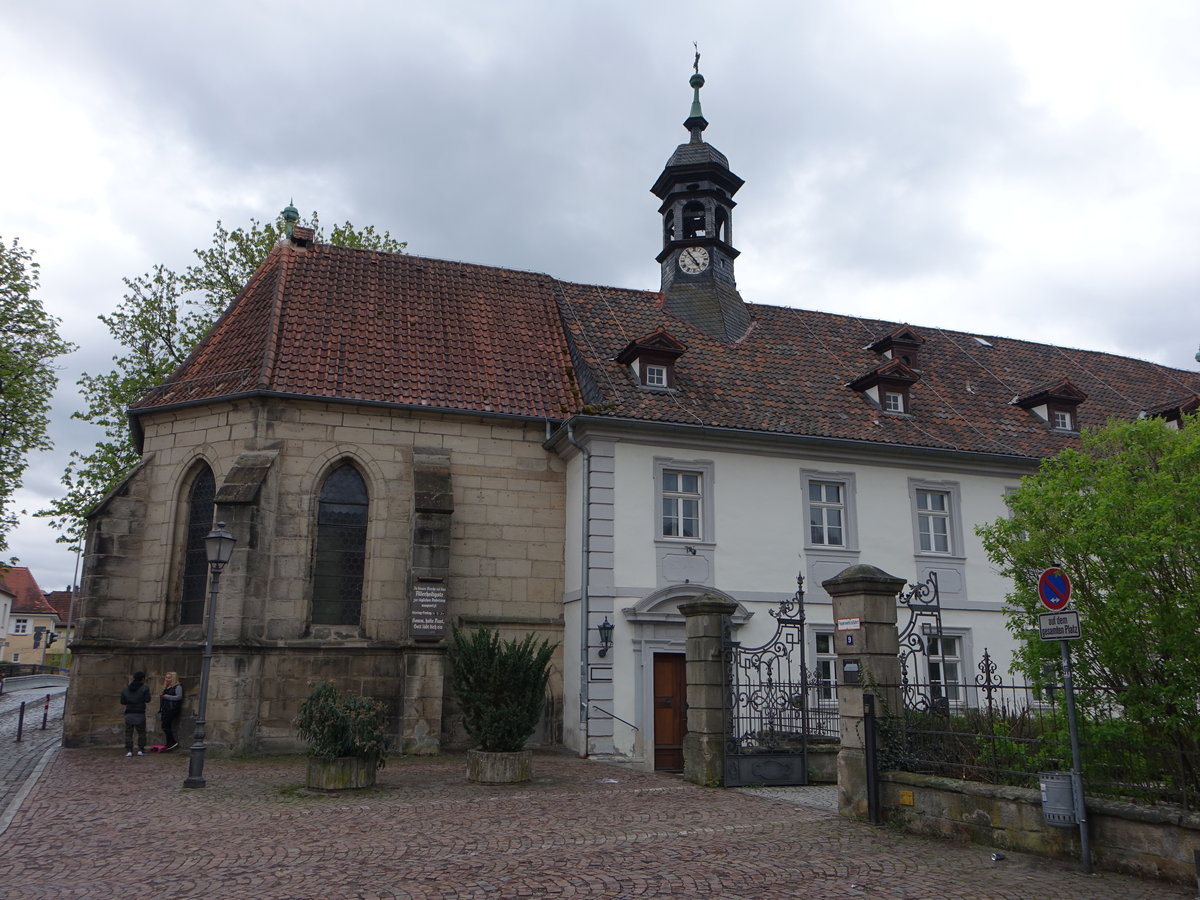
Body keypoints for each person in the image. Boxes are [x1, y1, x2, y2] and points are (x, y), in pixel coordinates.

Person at [120, 671, 151, 756]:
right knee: (141, 732)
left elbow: (122, 701)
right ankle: (141, 749)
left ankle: (129, 750)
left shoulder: (126, 689)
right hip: (140, 712)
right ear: (142, 679)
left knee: (128, 733)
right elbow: (147, 699)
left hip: (129, 712)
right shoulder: (145, 688)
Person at [159, 671, 183, 751]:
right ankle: (169, 742)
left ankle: (172, 742)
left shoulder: (177, 687)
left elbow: (179, 697)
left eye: (169, 678)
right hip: (165, 708)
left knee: (166, 725)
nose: (167, 679)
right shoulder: (167, 687)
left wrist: (167, 697)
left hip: (171, 709)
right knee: (165, 726)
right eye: (166, 677)